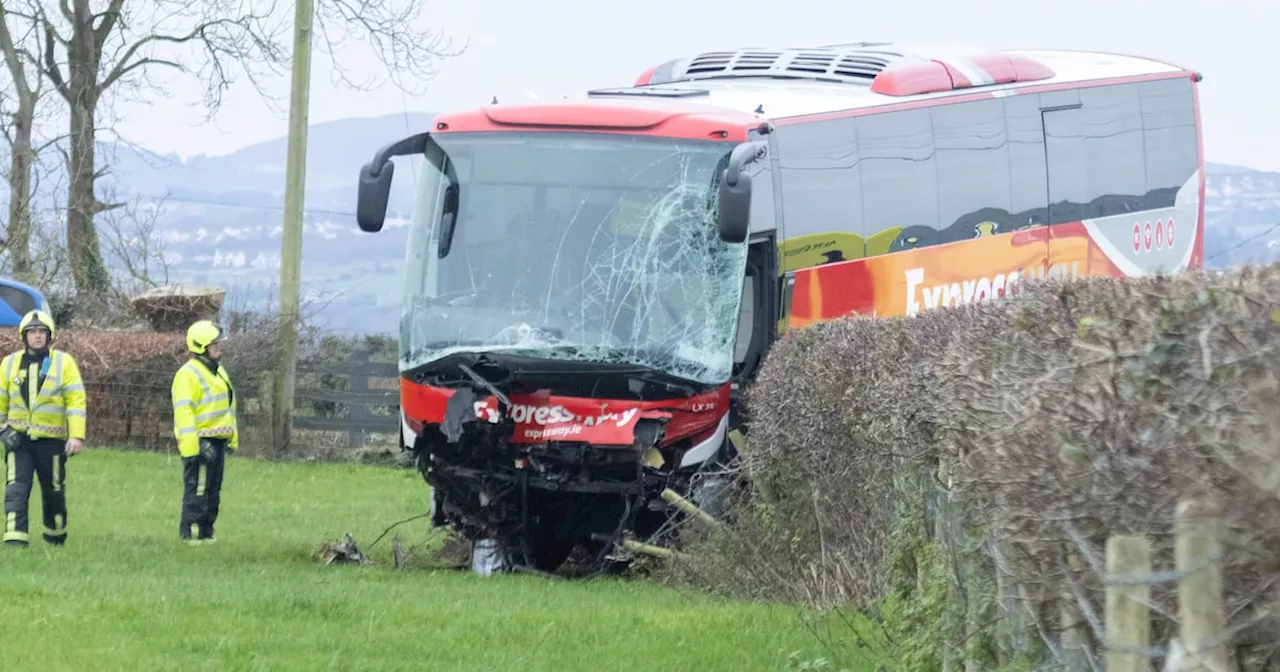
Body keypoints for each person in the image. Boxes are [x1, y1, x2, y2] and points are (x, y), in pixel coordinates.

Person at [0, 310, 86, 547]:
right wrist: (3, 430)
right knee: (16, 489)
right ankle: (15, 539)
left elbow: (76, 401)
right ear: (23, 336)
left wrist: (76, 436)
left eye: (41, 332)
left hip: (52, 441)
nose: (37, 337)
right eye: (32, 332)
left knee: (54, 491)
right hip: (18, 440)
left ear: (50, 336)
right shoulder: (9, 364)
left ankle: (55, 537)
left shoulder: (64, 362)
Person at [171, 320, 238, 545]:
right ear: (201, 347)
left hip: (217, 441)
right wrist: (195, 445)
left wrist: (231, 438)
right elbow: (184, 413)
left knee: (212, 489)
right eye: (214, 345)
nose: (218, 349)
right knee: (197, 488)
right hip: (199, 442)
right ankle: (188, 531)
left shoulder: (218, 372)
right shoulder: (187, 374)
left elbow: (228, 405)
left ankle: (207, 530)